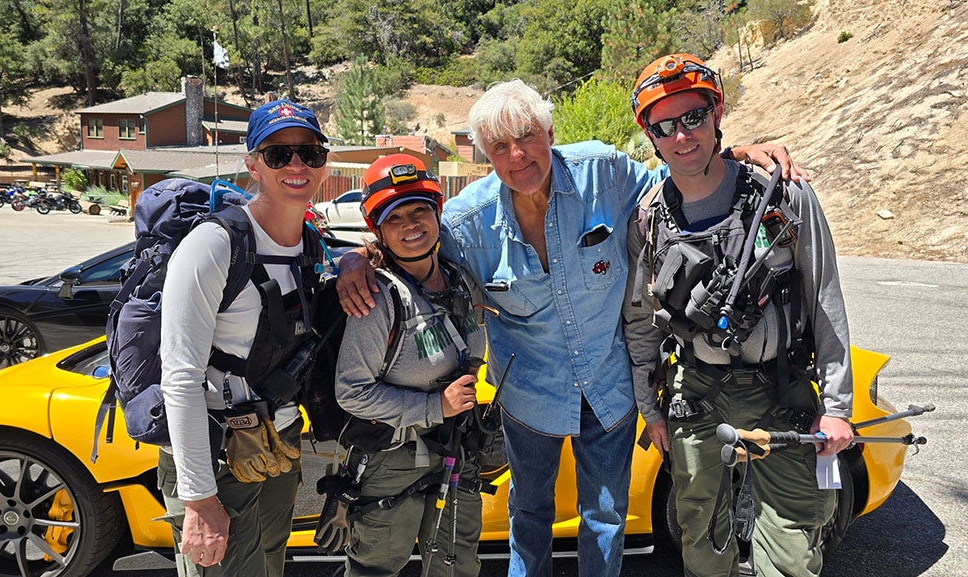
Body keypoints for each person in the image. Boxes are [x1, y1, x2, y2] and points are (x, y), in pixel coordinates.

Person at [336, 79, 804, 577]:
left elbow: (681, 179)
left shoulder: (603, 172)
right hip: (528, 398)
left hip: (610, 390)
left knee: (605, 518)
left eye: (526, 136)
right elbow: (409, 246)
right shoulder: (465, 223)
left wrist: (730, 157)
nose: (517, 155)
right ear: (485, 156)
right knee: (529, 516)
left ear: (550, 131)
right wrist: (356, 259)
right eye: (499, 146)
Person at [624, 53, 854, 577]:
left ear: (717, 112)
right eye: (664, 126)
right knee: (700, 542)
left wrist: (838, 406)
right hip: (695, 392)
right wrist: (650, 409)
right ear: (650, 137)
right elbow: (639, 322)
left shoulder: (786, 193)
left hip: (782, 390)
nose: (682, 137)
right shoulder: (648, 218)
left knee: (795, 552)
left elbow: (825, 299)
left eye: (694, 118)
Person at [158, 98, 330, 576]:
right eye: (278, 154)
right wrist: (198, 498)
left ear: (324, 164)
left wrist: (360, 259)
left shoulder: (310, 246)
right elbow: (180, 376)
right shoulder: (213, 246)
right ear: (252, 164)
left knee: (270, 567)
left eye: (309, 153)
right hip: (215, 455)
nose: (296, 165)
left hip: (278, 442)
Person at [321, 153, 489, 577]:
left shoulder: (461, 280)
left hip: (455, 450)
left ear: (437, 214)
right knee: (374, 569)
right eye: (394, 218)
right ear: (378, 230)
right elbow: (352, 392)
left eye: (420, 211)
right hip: (392, 460)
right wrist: (437, 407)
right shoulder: (376, 299)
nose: (411, 225)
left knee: (455, 567)